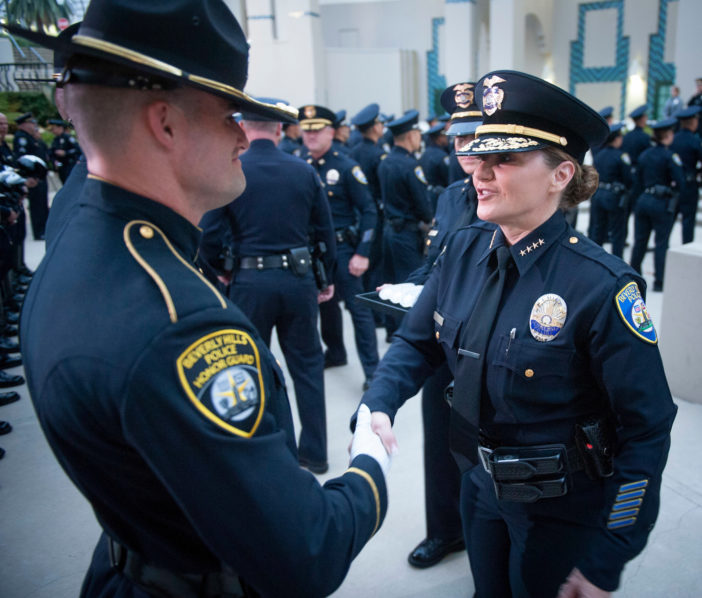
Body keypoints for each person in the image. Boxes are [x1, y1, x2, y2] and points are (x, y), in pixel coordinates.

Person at [11, 2, 390, 596]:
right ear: (164, 124)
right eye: (227, 117)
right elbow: (306, 553)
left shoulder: (76, 231)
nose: (244, 137)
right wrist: (371, 463)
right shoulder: (180, 324)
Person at [357, 70, 676, 597]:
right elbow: (415, 342)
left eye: (504, 158)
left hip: (561, 510)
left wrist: (612, 551)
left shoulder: (602, 288)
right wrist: (378, 402)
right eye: (479, 156)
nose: (480, 172)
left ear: (560, 174)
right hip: (478, 488)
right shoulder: (463, 249)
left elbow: (646, 431)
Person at [198, 99, 337, 474]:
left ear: (243, 129)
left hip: (249, 282)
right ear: (279, 130)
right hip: (298, 280)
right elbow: (325, 232)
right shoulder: (303, 171)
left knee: (251, 368)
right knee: (307, 368)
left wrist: (222, 271)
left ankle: (266, 455)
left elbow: (208, 235)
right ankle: (316, 452)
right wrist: (325, 278)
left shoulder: (231, 169)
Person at [405, 80, 483, 570]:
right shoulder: (451, 195)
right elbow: (435, 260)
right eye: (458, 140)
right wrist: (404, 288)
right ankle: (445, 531)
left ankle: (486, 542)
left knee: (484, 451)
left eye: (476, 137)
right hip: (442, 340)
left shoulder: (514, 193)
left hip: (489, 346)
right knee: (438, 440)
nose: (466, 149)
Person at [299, 104, 379, 389]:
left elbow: (369, 211)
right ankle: (335, 352)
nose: (311, 135)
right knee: (325, 307)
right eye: (306, 130)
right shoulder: (300, 165)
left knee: (359, 310)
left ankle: (373, 370)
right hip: (314, 252)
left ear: (331, 132)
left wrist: (362, 253)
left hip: (345, 251)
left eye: (317, 130)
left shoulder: (346, 166)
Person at [378, 109, 431, 338]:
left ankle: (392, 328)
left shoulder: (386, 162)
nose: (419, 137)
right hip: (408, 232)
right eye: (417, 133)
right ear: (410, 136)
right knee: (408, 283)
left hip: (389, 229)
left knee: (390, 280)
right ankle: (408, 332)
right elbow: (423, 206)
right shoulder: (411, 166)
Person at [629, 117, 685, 292]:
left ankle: (634, 277)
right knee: (661, 243)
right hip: (662, 202)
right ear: (668, 135)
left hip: (644, 200)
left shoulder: (644, 154)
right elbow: (680, 182)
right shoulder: (670, 156)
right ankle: (659, 281)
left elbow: (637, 181)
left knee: (640, 242)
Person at [349, 103, 386, 315]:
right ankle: (376, 312)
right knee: (376, 264)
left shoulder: (353, 151)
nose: (382, 127)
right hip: (375, 213)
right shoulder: (377, 154)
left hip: (359, 213)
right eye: (380, 124)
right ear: (373, 127)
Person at [588, 123, 633, 258]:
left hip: (599, 195)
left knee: (598, 231)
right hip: (614, 196)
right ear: (617, 139)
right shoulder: (621, 156)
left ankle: (594, 260)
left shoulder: (599, 155)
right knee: (617, 233)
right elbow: (629, 179)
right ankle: (616, 263)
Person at [13, 112, 49, 240]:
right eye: (30, 123)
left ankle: (44, 229)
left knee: (42, 204)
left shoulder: (32, 137)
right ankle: (39, 231)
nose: (32, 125)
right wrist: (29, 176)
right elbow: (22, 159)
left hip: (40, 176)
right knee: (36, 206)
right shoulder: (21, 137)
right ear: (23, 125)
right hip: (33, 177)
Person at [670, 105, 702, 244]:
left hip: (672, 185)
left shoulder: (673, 139)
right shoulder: (695, 141)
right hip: (689, 186)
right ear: (694, 122)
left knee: (669, 221)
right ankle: (685, 248)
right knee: (688, 222)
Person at [418, 121, 449, 213]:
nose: (446, 138)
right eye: (444, 136)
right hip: (440, 195)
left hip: (428, 195)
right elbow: (447, 178)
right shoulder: (442, 156)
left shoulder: (424, 154)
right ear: (439, 138)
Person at [48, 118, 81, 183]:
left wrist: (66, 153)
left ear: (60, 128)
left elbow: (78, 150)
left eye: (54, 128)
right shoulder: (55, 140)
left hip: (70, 165)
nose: (53, 131)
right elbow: (52, 153)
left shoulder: (67, 137)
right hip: (61, 166)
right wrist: (54, 161)